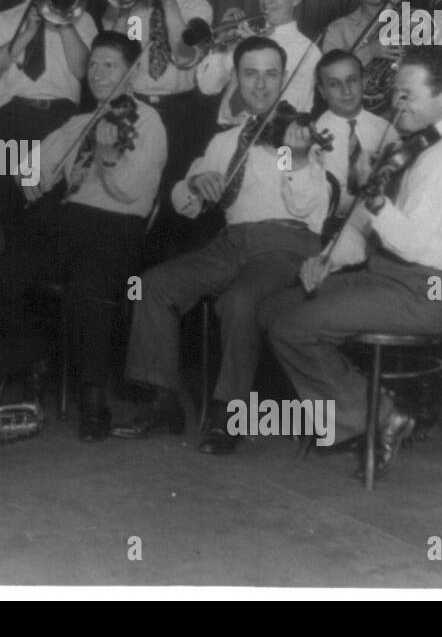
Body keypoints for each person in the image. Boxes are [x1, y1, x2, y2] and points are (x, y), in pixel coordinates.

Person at [260, 49, 442, 481]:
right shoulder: (409, 146)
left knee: (293, 328)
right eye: (395, 92)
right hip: (385, 277)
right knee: (273, 311)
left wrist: (375, 197)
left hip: (425, 291)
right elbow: (362, 227)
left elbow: (414, 244)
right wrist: (327, 260)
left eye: (408, 94)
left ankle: (382, 414)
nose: (396, 103)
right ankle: (367, 411)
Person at [113, 37, 328, 446]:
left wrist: (298, 157)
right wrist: (196, 181)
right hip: (230, 244)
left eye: (271, 75)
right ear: (236, 79)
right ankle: (164, 403)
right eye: (251, 74)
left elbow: (307, 207)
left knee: (239, 301)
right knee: (152, 285)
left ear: (284, 79)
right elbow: (184, 202)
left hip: (284, 245)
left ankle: (231, 413)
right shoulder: (225, 140)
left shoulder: (297, 136)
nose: (261, 86)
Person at [0, 32, 166, 440]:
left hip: (117, 229)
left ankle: (93, 399)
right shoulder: (80, 122)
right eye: (93, 65)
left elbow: (133, 191)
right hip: (68, 224)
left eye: (109, 66)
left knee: (89, 288)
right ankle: (34, 363)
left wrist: (109, 160)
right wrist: (50, 177)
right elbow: (29, 170)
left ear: (131, 74)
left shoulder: (148, 122)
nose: (97, 74)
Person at [0, 0, 99, 236]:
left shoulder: (82, 21)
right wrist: (27, 33)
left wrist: (64, 20)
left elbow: (84, 71)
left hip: (61, 124)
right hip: (12, 123)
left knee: (52, 216)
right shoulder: (1, 21)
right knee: (7, 213)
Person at [102, 0, 214, 254]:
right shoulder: (128, 3)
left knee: (172, 199)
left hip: (180, 112)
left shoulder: (197, 6)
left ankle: (157, 272)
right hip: (134, 108)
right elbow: (114, 51)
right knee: (130, 192)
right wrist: (124, 5)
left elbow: (184, 55)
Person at [197, 0, 320, 128]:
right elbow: (207, 87)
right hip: (228, 135)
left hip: (269, 139)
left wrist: (253, 54)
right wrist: (221, 48)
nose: (266, 0)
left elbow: (292, 106)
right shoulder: (244, 37)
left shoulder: (308, 51)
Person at [312, 49, 396, 219]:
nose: (346, 91)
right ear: (322, 91)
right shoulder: (313, 136)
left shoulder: (385, 129)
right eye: (334, 84)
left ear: (364, 82)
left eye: (352, 80)